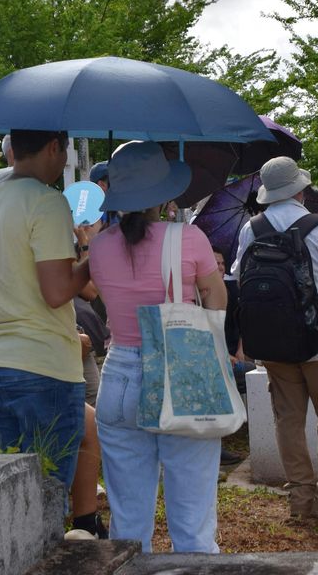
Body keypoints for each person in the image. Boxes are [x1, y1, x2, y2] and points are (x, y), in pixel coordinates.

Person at [88, 141, 227, 551]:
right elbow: (217, 301)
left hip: (120, 376)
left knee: (128, 523)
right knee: (193, 519)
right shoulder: (189, 237)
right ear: (163, 192)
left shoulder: (99, 246)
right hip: (181, 369)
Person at [232, 156, 318, 523]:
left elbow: (239, 277)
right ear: (301, 191)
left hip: (272, 343)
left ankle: (300, 503)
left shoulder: (251, 229)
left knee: (288, 420)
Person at [0, 129, 94, 493]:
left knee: (8, 499)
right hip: (43, 365)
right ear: (54, 147)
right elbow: (57, 292)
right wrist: (93, 256)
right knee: (46, 498)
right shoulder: (46, 201)